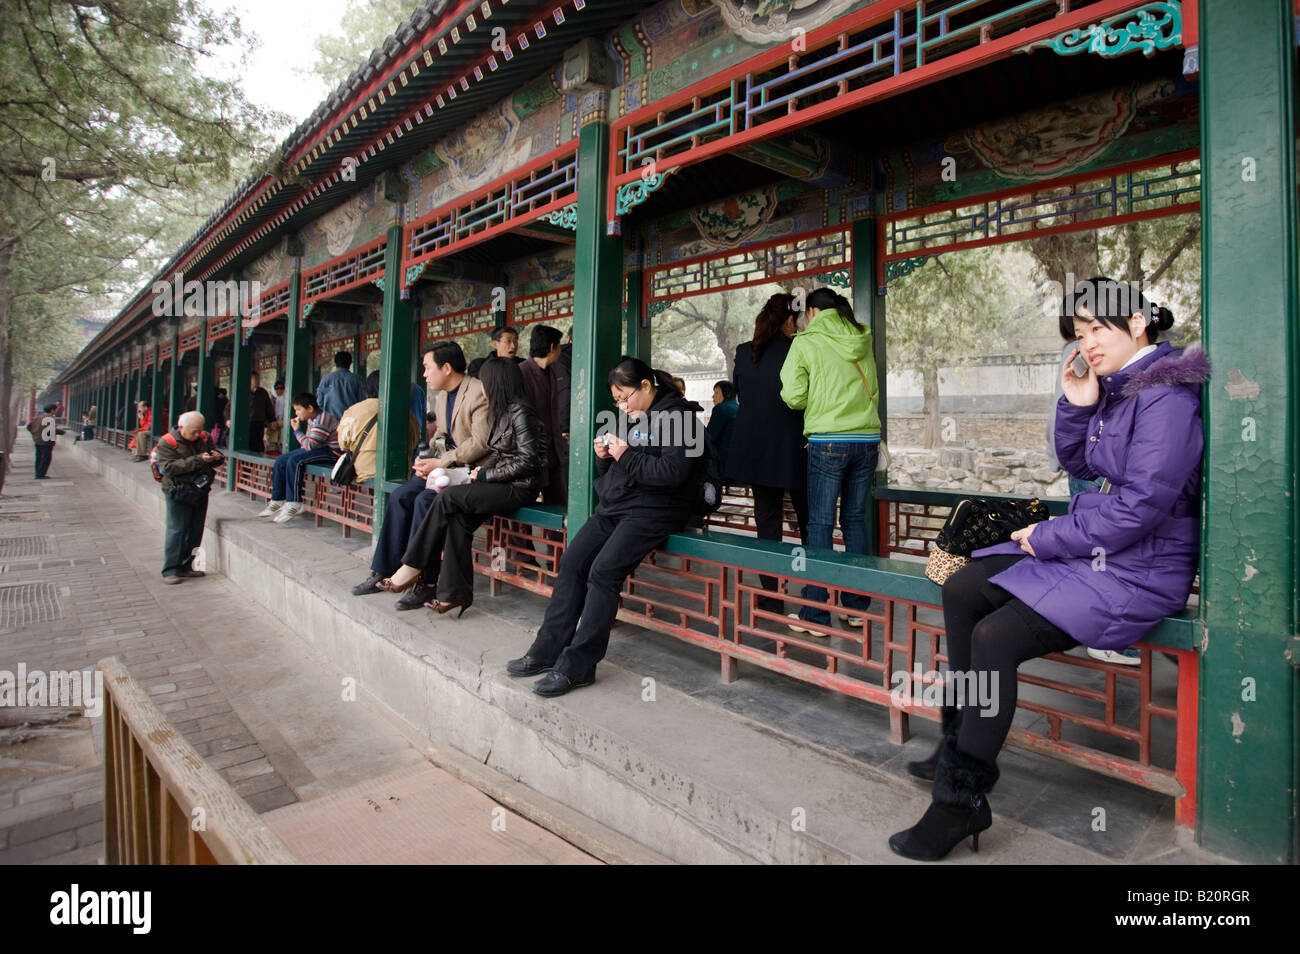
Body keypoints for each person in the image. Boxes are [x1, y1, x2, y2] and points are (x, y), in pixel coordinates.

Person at [889, 278, 1207, 861]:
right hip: (1101, 550)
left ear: (1138, 321)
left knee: (995, 636)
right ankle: (958, 736)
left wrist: (1049, 536)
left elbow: (1140, 506)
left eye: (1096, 329)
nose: (1086, 343)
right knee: (961, 585)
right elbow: (1079, 460)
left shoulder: (1169, 400)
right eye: (1079, 333)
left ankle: (959, 801)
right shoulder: (1120, 389)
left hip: (1140, 570)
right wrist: (1075, 405)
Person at [507, 357, 704, 697]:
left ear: (646, 386)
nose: (621, 405)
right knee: (572, 562)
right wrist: (605, 455)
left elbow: (672, 475)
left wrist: (625, 454)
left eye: (625, 396)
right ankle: (546, 650)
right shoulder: (629, 417)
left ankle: (578, 665)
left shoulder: (680, 419)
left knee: (602, 573)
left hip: (655, 510)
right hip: (616, 506)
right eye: (616, 400)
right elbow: (611, 475)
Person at [378, 357, 547, 615]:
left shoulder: (521, 412)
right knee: (457, 519)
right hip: (502, 482)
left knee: (448, 498)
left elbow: (528, 461)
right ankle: (453, 594)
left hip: (519, 487)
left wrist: (485, 476)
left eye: (486, 381)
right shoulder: (502, 411)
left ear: (497, 382)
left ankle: (412, 565)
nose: (483, 386)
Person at [352, 341, 492, 609]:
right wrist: (427, 459)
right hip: (445, 468)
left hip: (469, 471)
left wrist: (441, 461)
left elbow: (480, 443)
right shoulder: (441, 396)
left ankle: (426, 582)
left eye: (428, 368)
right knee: (403, 495)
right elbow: (442, 435)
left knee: (423, 502)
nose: (425, 374)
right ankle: (386, 571)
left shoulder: (477, 392)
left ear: (447, 367)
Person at [779, 286, 881, 633]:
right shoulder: (862, 339)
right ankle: (856, 610)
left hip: (828, 441)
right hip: (866, 440)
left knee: (820, 523)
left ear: (811, 313)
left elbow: (793, 396)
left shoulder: (805, 342)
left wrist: (818, 399)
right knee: (854, 520)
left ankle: (815, 615)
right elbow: (874, 391)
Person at [731, 293, 809, 612]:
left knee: (767, 521)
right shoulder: (799, 348)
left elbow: (740, 391)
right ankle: (816, 590)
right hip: (796, 446)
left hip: (756, 448)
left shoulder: (743, 352)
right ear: (789, 320)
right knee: (809, 520)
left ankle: (771, 594)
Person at [155, 411, 222, 584]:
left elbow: (216, 456)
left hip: (199, 490)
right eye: (192, 431)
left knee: (195, 529)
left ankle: (187, 566)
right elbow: (169, 468)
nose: (196, 435)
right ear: (181, 427)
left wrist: (216, 458)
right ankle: (170, 569)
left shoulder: (204, 438)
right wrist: (199, 459)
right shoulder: (167, 442)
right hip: (178, 490)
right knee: (177, 529)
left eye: (199, 431)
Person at [258, 394, 341, 524]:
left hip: (332, 452)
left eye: (298, 409)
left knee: (295, 461)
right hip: (318, 448)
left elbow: (309, 445)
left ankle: (294, 502)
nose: (296, 413)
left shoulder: (322, 419)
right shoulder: (311, 419)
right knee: (281, 460)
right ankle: (277, 499)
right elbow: (307, 444)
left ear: (310, 408)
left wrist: (297, 431)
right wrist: (302, 437)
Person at [336, 372, 418, 484]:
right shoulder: (406, 413)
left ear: (367, 388)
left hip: (364, 473)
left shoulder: (353, 411)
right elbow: (414, 440)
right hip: (399, 473)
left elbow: (343, 443)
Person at [518, 324, 565, 502]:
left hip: (554, 452)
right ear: (552, 347)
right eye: (559, 345)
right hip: (532, 453)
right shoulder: (521, 372)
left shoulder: (553, 371)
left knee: (559, 503)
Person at [316, 351, 366, 421]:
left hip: (329, 421)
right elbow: (362, 402)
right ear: (350, 363)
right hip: (350, 420)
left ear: (335, 363)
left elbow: (320, 401)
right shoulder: (357, 379)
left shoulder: (326, 378)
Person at [706, 380, 739, 477]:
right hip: (737, 464)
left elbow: (710, 436)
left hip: (722, 464)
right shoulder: (738, 408)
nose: (713, 396)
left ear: (727, 394)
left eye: (716, 392)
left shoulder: (721, 409)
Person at [27, 404, 61, 479]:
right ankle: (41, 474)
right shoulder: (50, 418)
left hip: (38, 440)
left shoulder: (38, 417)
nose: (56, 411)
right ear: (52, 410)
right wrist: (61, 432)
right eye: (56, 409)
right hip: (46, 441)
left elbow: (29, 426)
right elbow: (51, 430)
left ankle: (37, 473)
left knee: (38, 457)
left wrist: (35, 433)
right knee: (46, 458)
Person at [248, 371, 275, 454]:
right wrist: (228, 419)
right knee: (248, 444)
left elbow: (269, 407)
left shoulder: (262, 392)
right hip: (246, 422)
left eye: (258, 378)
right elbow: (229, 407)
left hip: (259, 422)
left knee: (258, 444)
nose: (258, 380)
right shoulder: (242, 391)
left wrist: (272, 420)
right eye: (255, 379)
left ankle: (256, 463)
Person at [267, 380, 287, 449]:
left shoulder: (287, 400)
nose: (279, 390)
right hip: (273, 426)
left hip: (283, 425)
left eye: (282, 388)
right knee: (272, 445)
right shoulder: (271, 400)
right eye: (277, 388)